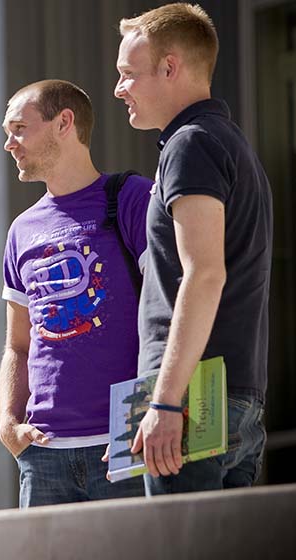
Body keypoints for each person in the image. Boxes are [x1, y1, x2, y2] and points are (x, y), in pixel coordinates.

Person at [113, 3, 272, 494]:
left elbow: (204, 274)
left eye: (128, 74)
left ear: (170, 67)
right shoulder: (229, 144)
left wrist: (162, 403)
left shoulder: (191, 145)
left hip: (192, 399)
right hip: (226, 396)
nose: (120, 88)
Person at [0, 79, 152, 507]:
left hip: (125, 444)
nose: (10, 143)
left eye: (19, 129)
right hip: (43, 456)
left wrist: (159, 411)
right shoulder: (20, 230)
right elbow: (17, 344)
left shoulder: (132, 198)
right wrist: (9, 424)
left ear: (64, 122)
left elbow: (173, 308)